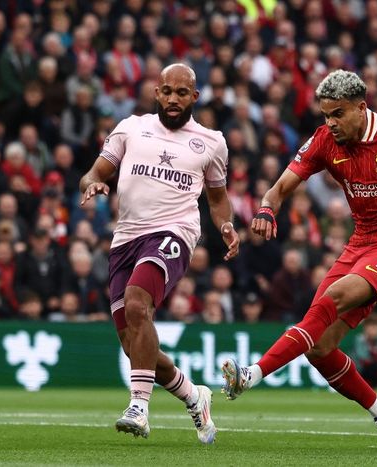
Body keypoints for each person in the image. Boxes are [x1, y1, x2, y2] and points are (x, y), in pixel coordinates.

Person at [221, 70, 377, 451]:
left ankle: (253, 373)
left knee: (336, 297)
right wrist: (266, 209)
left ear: (361, 108)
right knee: (319, 347)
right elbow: (280, 187)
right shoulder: (323, 141)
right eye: (325, 114)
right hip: (359, 243)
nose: (330, 123)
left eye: (338, 114)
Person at [79, 63, 239, 443]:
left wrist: (227, 226)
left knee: (138, 305)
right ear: (156, 92)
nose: (173, 99)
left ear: (194, 98)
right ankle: (193, 395)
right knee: (135, 343)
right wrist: (94, 184)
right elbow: (93, 173)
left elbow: (218, 199)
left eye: (182, 93)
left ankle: (139, 406)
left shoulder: (211, 141)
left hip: (174, 233)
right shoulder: (130, 128)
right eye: (167, 91)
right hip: (126, 238)